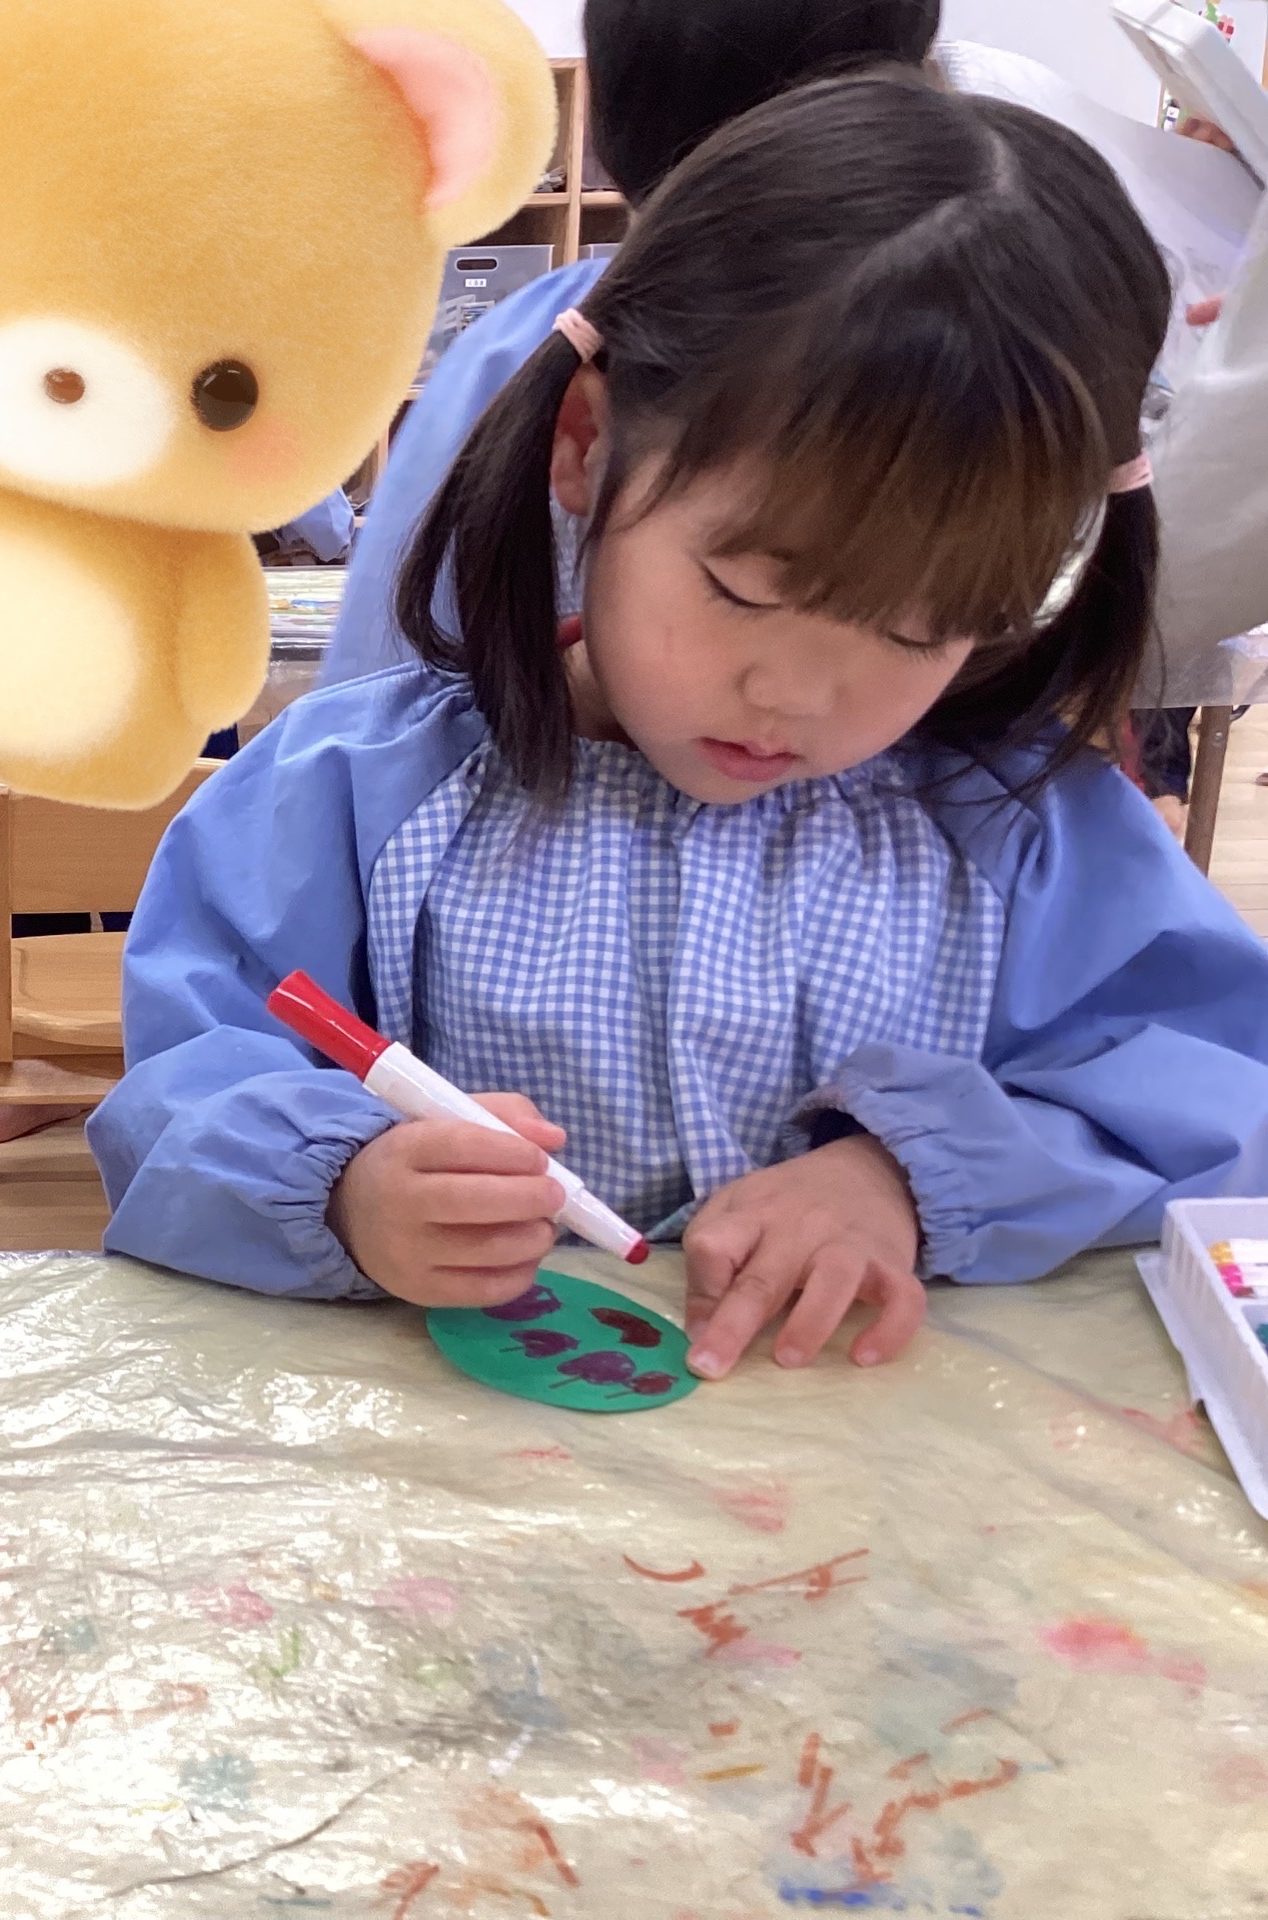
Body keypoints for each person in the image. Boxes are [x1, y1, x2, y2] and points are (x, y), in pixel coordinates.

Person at [92, 76, 1268, 1383]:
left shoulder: (1022, 829)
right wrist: (345, 1187)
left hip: (860, 1463)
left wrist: (907, 1177)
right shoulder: (347, 793)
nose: (799, 695)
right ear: (586, 445)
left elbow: (1219, 1090)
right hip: (466, 1463)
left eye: (922, 628)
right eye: (749, 588)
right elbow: (180, 1097)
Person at [318, 0, 943, 689]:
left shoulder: (511, 344)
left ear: (602, 134)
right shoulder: (940, 346)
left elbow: (370, 679)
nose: (796, 693)